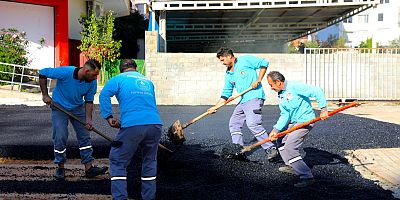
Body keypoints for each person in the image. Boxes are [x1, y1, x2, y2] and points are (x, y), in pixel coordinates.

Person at [99, 59, 162, 200]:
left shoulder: (118, 79)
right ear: (136, 68)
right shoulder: (147, 81)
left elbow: (104, 95)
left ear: (121, 69)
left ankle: (120, 197)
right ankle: (149, 197)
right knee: (150, 161)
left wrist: (108, 116)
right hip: (155, 124)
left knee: (117, 160)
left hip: (132, 125)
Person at [38, 59, 108, 180]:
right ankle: (60, 167)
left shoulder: (91, 82)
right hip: (59, 107)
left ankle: (89, 168)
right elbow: (42, 73)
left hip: (77, 108)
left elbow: (89, 101)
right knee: (60, 135)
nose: (96, 78)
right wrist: (45, 95)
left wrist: (88, 119)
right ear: (86, 71)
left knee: (84, 136)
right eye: (94, 74)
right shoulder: (66, 72)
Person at [208, 47, 279, 162]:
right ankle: (238, 150)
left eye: (222, 60)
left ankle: (270, 148)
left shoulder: (245, 60)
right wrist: (216, 107)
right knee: (234, 123)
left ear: (229, 56)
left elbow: (264, 63)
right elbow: (226, 93)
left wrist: (259, 79)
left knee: (253, 124)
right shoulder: (228, 74)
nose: (222, 63)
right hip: (243, 100)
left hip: (254, 97)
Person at [266, 71, 329, 187]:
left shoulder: (294, 87)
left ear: (278, 82)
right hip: (294, 122)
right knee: (280, 141)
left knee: (290, 147)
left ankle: (307, 176)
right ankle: (292, 166)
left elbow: (317, 91)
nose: (271, 88)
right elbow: (285, 114)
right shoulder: (281, 95)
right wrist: (276, 130)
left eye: (271, 85)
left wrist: (323, 109)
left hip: (305, 121)